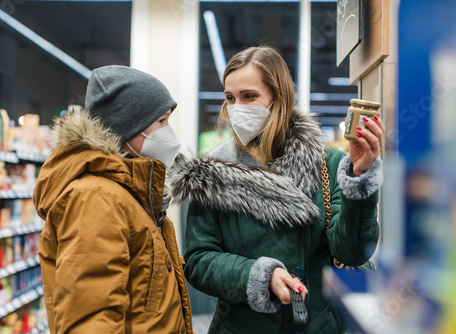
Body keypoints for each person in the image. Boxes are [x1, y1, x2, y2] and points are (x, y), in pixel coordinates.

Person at [168, 46, 384, 333]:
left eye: (249, 96)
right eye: (230, 98)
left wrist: (360, 177)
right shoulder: (210, 174)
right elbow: (197, 261)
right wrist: (258, 275)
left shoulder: (328, 164)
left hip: (320, 325)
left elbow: (353, 253)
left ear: (279, 98)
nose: (236, 108)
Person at [33, 65, 193, 333]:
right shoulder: (95, 198)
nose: (168, 133)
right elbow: (91, 317)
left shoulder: (132, 191)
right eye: (162, 121)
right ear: (129, 127)